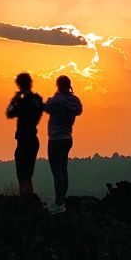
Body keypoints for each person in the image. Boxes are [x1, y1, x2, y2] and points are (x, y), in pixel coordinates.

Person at [43, 75, 83, 214]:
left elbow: (45, 107)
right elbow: (79, 111)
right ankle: (62, 201)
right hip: (67, 138)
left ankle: (59, 203)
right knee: (63, 169)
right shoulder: (75, 100)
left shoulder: (56, 100)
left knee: (56, 172)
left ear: (58, 85)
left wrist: (51, 98)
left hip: (55, 139)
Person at [5, 72, 43, 196]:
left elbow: (10, 113)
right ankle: (30, 200)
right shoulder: (37, 99)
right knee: (28, 174)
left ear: (19, 85)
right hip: (33, 139)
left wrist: (14, 100)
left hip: (24, 140)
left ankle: (24, 201)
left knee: (22, 175)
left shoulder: (23, 102)